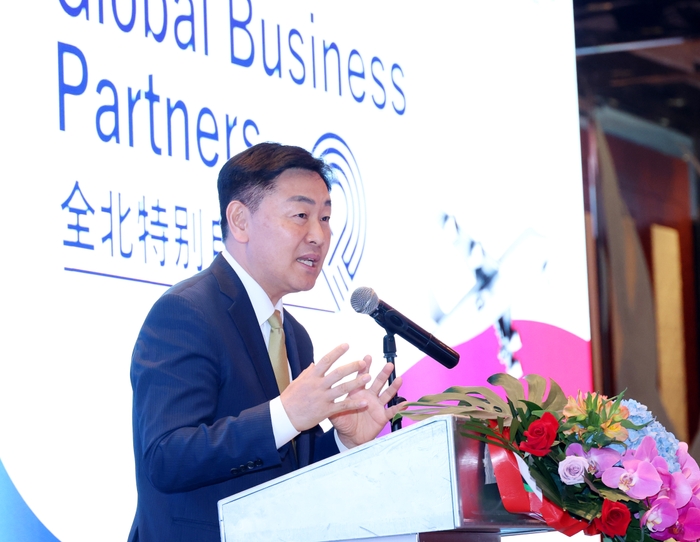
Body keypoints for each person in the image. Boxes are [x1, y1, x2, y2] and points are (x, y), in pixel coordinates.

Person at [128, 142, 403, 542]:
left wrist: (344, 442)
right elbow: (165, 456)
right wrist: (284, 415)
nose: (319, 235)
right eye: (301, 215)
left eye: (326, 217)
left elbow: (288, 476)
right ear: (240, 220)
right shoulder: (186, 313)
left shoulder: (294, 335)